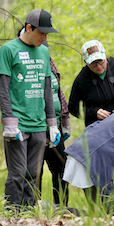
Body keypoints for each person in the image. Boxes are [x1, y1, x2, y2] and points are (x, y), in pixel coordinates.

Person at [0, 9, 59, 209]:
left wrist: (53, 124)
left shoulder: (44, 51)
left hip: (39, 124)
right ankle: (12, 215)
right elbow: (3, 89)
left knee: (34, 173)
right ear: (29, 28)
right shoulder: (9, 50)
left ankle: (29, 214)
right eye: (42, 33)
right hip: (18, 124)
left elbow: (47, 89)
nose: (45, 37)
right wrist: (9, 122)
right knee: (17, 174)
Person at [69, 40, 114, 127]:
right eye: (93, 64)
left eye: (101, 61)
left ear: (105, 55)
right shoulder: (81, 80)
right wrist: (94, 112)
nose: (98, 67)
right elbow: (73, 108)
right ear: (85, 62)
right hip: (99, 129)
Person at [39, 40, 71, 206]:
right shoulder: (30, 67)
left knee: (61, 167)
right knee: (35, 171)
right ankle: (33, 209)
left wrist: (63, 123)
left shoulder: (51, 66)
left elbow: (58, 93)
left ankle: (61, 207)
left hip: (55, 127)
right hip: (36, 127)